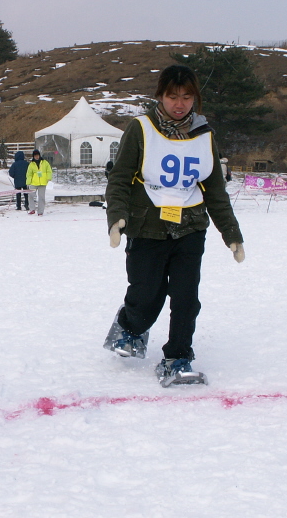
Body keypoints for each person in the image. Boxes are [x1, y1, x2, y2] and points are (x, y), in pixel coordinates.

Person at [103, 64, 245, 385]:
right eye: (172, 96)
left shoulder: (205, 135)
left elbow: (215, 190)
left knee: (186, 297)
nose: (179, 104)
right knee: (147, 293)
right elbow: (120, 179)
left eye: (186, 97)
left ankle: (178, 356)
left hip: (191, 226)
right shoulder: (141, 129)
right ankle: (130, 328)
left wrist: (232, 234)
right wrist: (117, 218)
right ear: (160, 96)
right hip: (147, 225)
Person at [25, 149, 52, 216]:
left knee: (41, 197)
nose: (36, 157)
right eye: (35, 156)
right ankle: (32, 209)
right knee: (31, 196)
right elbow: (29, 174)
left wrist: (48, 178)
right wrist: (28, 182)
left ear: (39, 155)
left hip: (42, 183)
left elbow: (49, 171)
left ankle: (40, 212)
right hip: (33, 183)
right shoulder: (31, 164)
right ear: (33, 156)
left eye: (37, 155)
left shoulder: (45, 162)